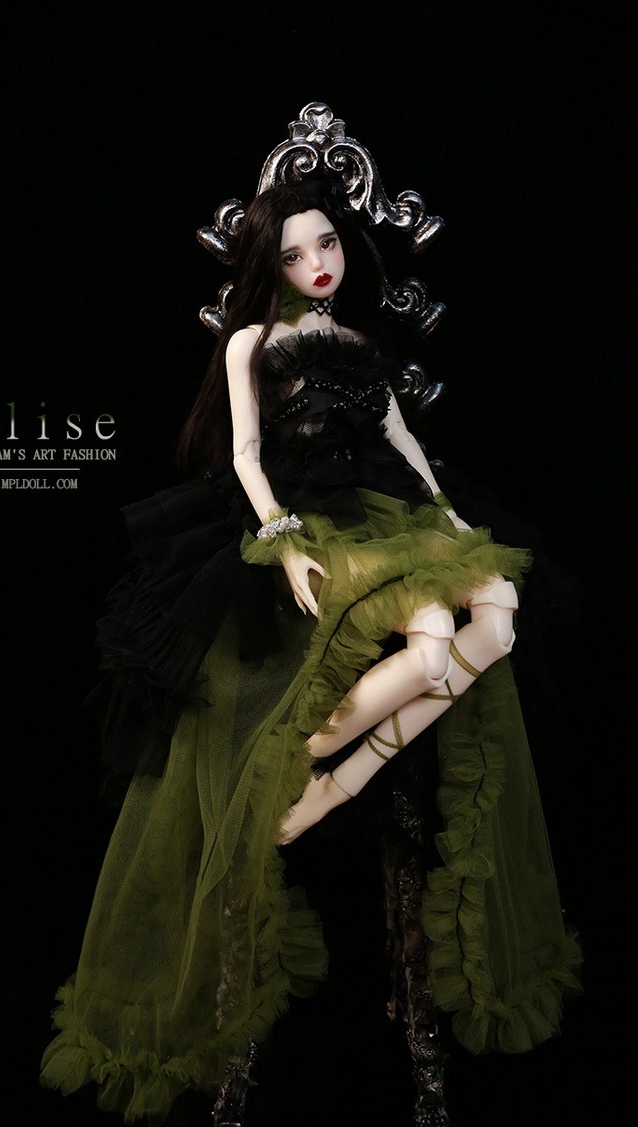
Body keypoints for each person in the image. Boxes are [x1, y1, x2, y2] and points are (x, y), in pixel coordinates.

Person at [40, 177, 581, 1124]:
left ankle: (332, 774)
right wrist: (282, 537)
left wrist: (451, 521)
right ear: (269, 263)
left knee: (497, 616)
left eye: (325, 243)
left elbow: (403, 442)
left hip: (392, 512)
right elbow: (246, 456)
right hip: (317, 520)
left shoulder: (360, 345)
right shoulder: (252, 343)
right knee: (430, 645)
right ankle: (314, 772)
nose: (316, 264)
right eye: (292, 253)